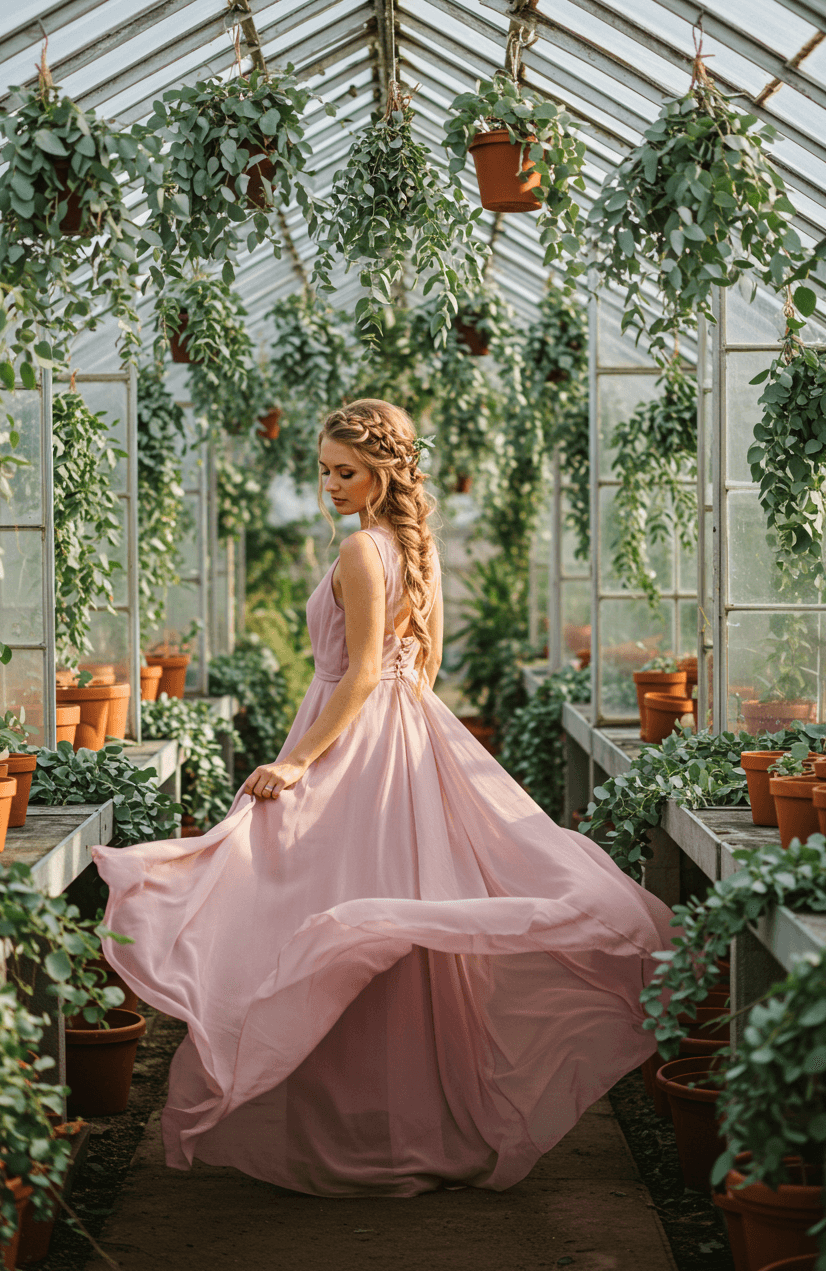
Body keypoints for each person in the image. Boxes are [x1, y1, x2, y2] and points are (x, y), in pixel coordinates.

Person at [92, 398, 674, 1199]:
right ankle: (410, 1123)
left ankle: (353, 1128)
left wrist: (299, 761)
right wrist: (402, 739)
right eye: (326, 470)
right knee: (382, 907)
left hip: (354, 729)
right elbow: (422, 666)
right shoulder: (414, 547)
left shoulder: (367, 550)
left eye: (347, 472)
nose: (331, 484)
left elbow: (362, 670)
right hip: (404, 733)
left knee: (325, 895)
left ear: (384, 472)